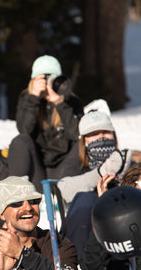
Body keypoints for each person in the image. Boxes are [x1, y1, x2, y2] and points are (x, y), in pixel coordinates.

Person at [55, 109, 134, 254]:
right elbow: (63, 190)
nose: (101, 137)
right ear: (83, 140)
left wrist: (122, 177)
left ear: (114, 136)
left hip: (121, 230)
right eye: (93, 134)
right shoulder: (75, 163)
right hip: (83, 230)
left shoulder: (125, 161)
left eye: (106, 132)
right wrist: (101, 173)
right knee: (87, 198)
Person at [9, 55, 84, 187]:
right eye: (44, 79)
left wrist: (60, 104)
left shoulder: (71, 102)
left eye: (52, 79)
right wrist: (34, 98)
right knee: (20, 141)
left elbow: (77, 134)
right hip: (38, 167)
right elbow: (24, 131)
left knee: (82, 142)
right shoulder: (27, 100)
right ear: (34, 81)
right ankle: (17, 196)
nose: (48, 83)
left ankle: (65, 195)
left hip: (64, 168)